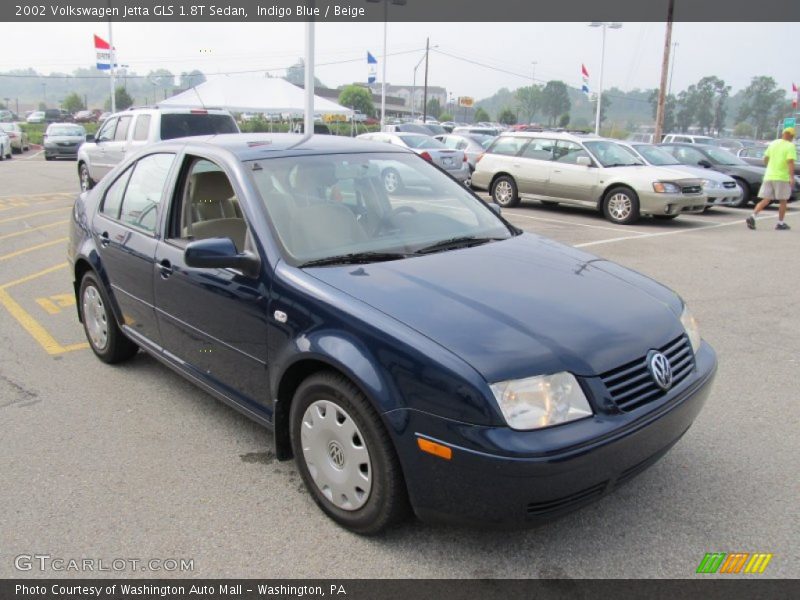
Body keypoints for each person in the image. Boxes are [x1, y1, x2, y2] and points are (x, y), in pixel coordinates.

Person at [746, 127, 796, 231]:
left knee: (766, 199)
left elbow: (765, 158)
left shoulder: (773, 143)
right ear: (791, 136)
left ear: (783, 134)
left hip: (769, 176)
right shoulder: (790, 146)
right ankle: (780, 223)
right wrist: (791, 177)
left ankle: (753, 216)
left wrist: (770, 167)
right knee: (783, 200)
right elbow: (790, 162)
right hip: (781, 177)